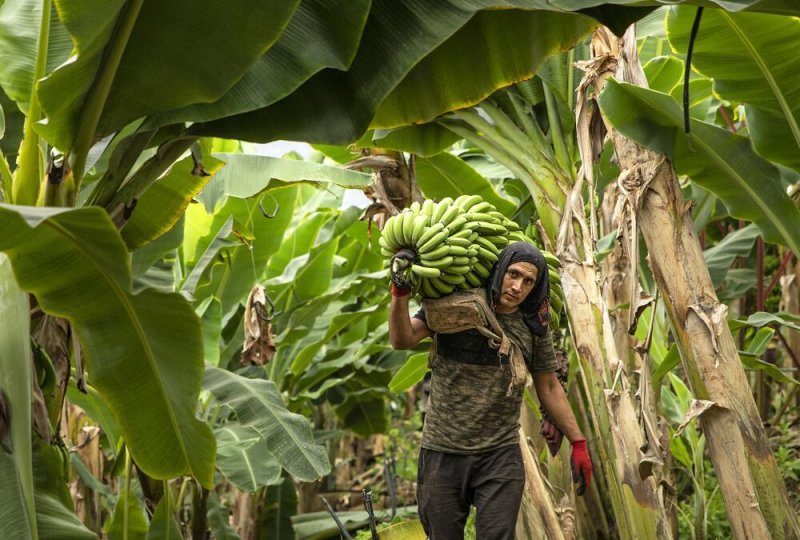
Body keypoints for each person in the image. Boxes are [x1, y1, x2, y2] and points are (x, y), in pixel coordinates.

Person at [389, 241, 592, 540]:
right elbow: (402, 339)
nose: (517, 286)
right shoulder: (457, 305)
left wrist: (578, 442)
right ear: (499, 271)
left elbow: (548, 384)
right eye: (513, 274)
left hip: (499, 454)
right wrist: (400, 293)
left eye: (528, 281)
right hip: (443, 450)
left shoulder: (534, 325)